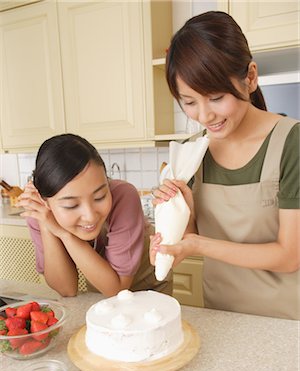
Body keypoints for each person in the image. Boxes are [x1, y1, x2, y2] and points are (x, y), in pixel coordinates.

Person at [150, 11, 300, 319]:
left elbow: (289, 256)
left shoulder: (291, 142)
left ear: (251, 77)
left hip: (285, 323)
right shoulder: (192, 153)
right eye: (189, 102)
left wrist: (197, 244)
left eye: (216, 97)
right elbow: (184, 244)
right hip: (219, 318)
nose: (205, 116)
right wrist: (175, 224)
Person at [18, 133, 172, 297]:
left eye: (100, 197)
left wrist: (64, 234)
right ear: (45, 202)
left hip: (147, 291)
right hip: (101, 289)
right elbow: (66, 289)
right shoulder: (39, 212)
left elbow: (118, 288)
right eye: (72, 205)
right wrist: (47, 225)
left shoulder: (123, 196)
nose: (90, 216)